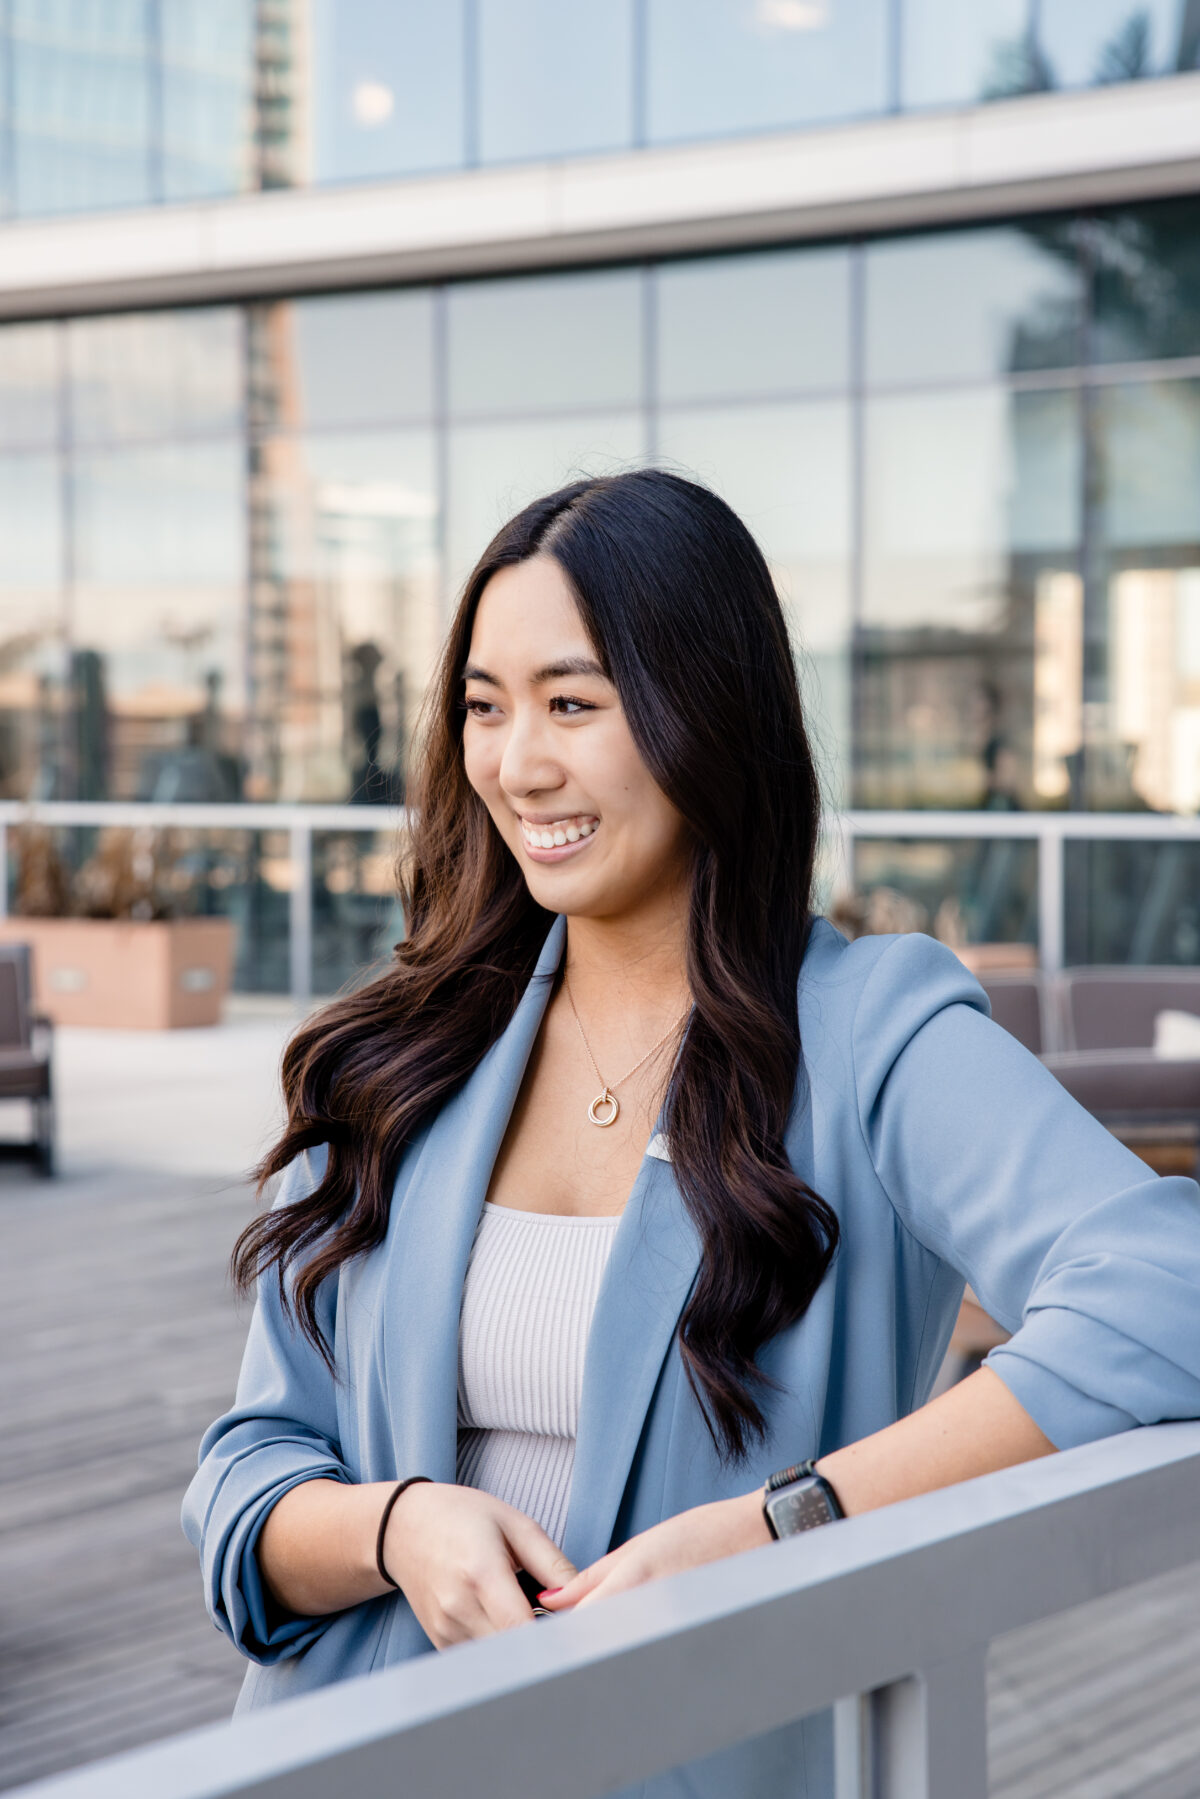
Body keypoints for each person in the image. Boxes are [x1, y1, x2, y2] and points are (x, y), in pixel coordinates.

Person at [183, 470, 1200, 1798]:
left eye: (573, 703)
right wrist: (399, 1527)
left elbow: (1166, 1292)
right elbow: (247, 1476)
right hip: (358, 1753)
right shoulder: (400, 1056)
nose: (516, 763)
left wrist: (795, 1523)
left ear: (702, 715)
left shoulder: (863, 1035)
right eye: (485, 708)